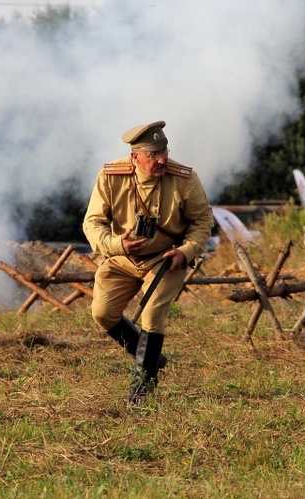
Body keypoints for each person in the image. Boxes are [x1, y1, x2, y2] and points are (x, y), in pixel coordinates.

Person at [82, 120, 214, 404]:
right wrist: (118, 244)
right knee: (102, 313)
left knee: (152, 315)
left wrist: (187, 251)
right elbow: (92, 223)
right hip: (121, 257)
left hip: (165, 259)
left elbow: (203, 220)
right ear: (135, 158)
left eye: (164, 150)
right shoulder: (110, 176)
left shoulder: (184, 179)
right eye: (153, 154)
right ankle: (152, 359)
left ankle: (141, 390)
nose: (162, 158)